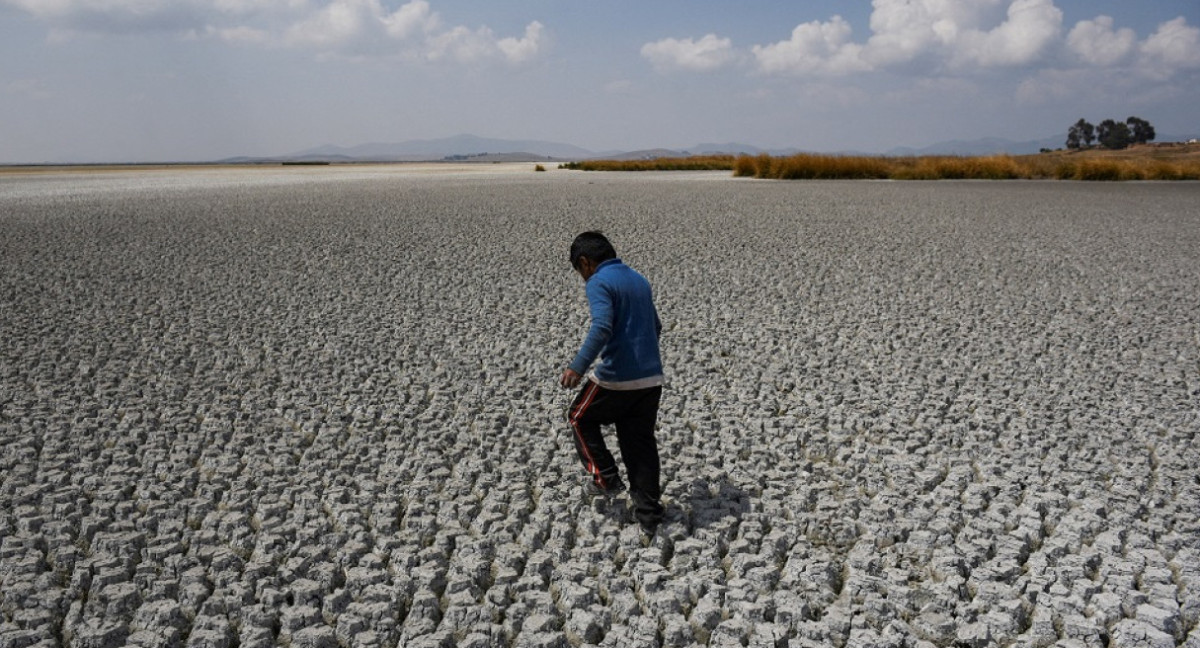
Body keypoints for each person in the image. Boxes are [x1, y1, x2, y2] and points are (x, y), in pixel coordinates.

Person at [560, 231, 665, 532]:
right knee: (639, 443)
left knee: (579, 417)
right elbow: (655, 326)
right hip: (651, 377)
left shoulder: (599, 282)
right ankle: (649, 518)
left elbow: (602, 326)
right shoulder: (638, 279)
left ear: (586, 262)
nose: (582, 278)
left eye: (579, 271)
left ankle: (606, 478)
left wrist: (577, 367)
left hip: (617, 377)